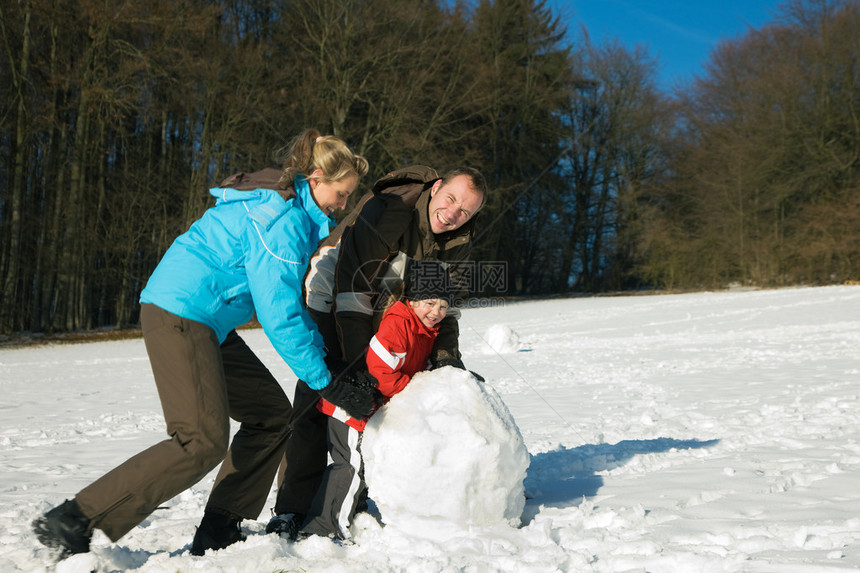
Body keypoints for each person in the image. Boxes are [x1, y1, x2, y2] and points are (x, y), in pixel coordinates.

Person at [31, 129, 380, 558]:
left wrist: (325, 365)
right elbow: (278, 314)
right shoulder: (282, 221)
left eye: (348, 198)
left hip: (207, 321)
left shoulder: (295, 216)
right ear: (315, 179)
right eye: (341, 194)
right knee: (199, 439)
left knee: (271, 416)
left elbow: (288, 304)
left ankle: (220, 526)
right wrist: (325, 378)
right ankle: (75, 519)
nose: (342, 205)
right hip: (181, 313)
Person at [267, 165, 487, 537]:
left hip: (385, 305)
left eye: (464, 211)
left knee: (378, 398)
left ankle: (353, 494)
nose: (452, 215)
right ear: (436, 189)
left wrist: (448, 363)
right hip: (331, 293)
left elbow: (444, 312)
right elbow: (352, 286)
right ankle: (292, 508)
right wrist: (358, 367)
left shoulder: (459, 241)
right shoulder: (391, 210)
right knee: (320, 396)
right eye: (450, 199)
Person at [298, 260, 454, 540]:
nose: (435, 312)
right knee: (349, 465)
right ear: (413, 298)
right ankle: (323, 529)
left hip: (369, 410)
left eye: (443, 306)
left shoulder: (425, 331)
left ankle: (351, 511)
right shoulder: (398, 325)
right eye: (429, 303)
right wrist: (415, 389)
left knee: (362, 464)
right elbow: (380, 374)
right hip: (350, 407)